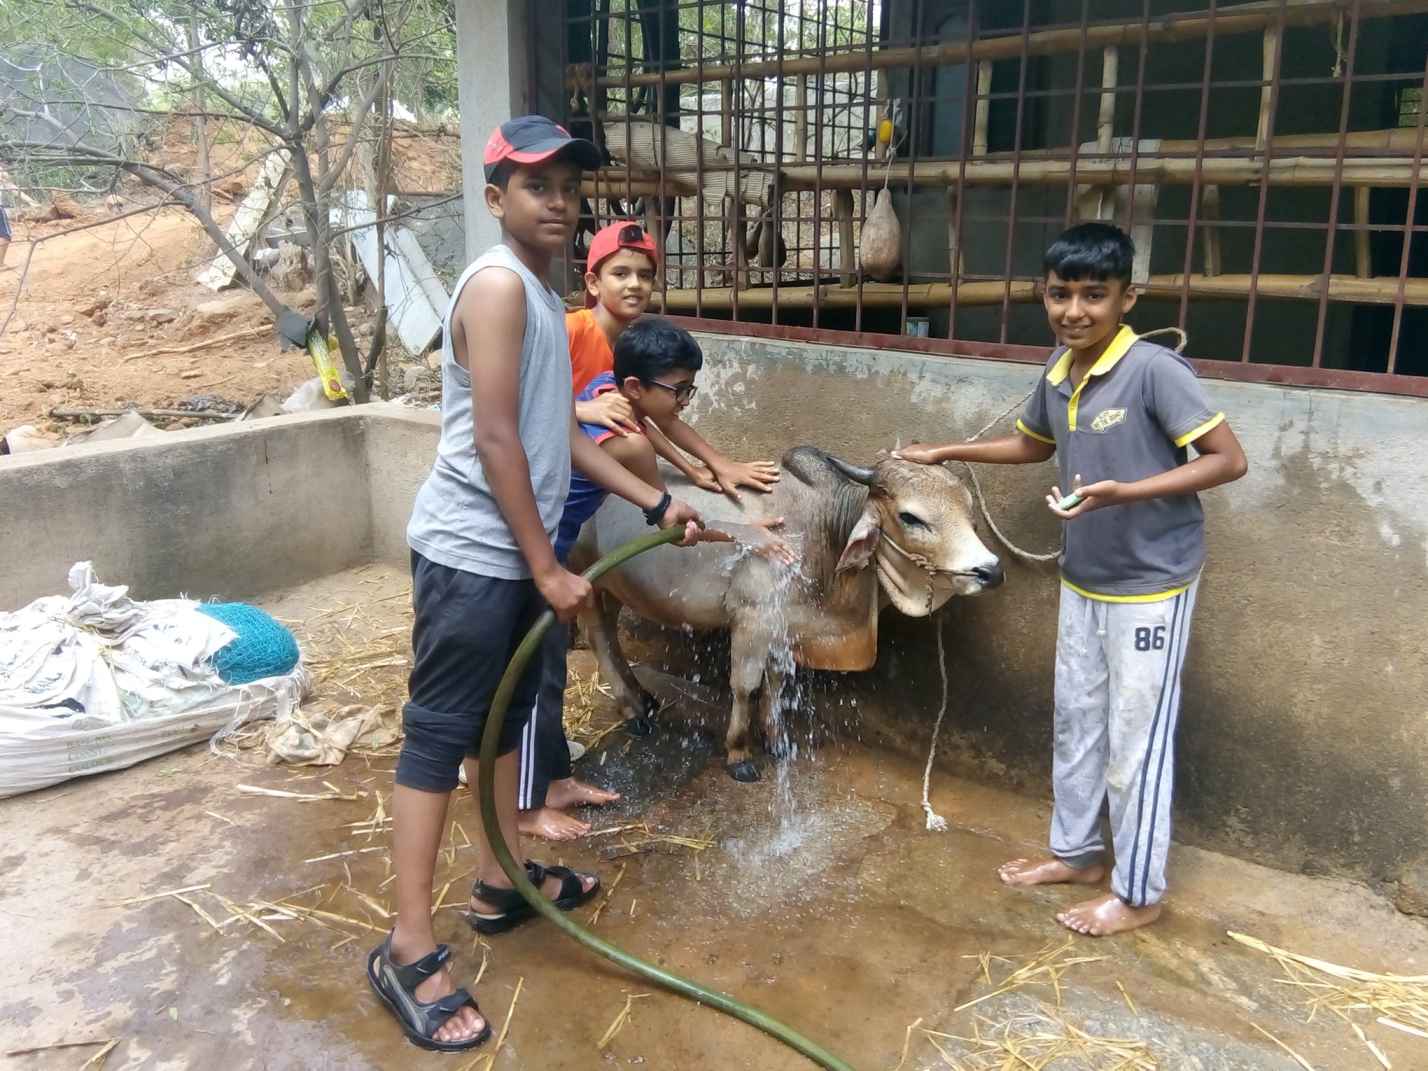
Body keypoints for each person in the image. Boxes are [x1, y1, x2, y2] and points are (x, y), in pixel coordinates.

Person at [365, 115, 702, 1053]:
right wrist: (548, 563)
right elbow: (498, 440)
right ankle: (407, 944)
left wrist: (653, 497)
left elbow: (556, 430)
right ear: (495, 198)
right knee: (440, 740)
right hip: (475, 553)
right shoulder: (502, 288)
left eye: (567, 187)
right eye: (536, 185)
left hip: (512, 554)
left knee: (506, 725)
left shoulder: (547, 300)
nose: (557, 201)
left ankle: (498, 880)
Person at [895, 221, 1248, 937]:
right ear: (1043, 295)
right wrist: (946, 448)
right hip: (1085, 579)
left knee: (1135, 738)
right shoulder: (1059, 368)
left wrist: (1130, 491)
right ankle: (1080, 854)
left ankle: (1140, 891)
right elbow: (1033, 442)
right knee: (1079, 721)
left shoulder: (1153, 369)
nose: (1075, 310)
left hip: (1152, 582)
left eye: (1095, 294)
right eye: (1061, 294)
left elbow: (1227, 459)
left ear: (1128, 298)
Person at [518, 313, 792, 840]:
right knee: (534, 674)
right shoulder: (629, 441)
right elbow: (668, 521)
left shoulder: (604, 392)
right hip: (535, 546)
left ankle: (550, 781)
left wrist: (706, 476)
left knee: (547, 670)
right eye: (681, 391)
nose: (686, 403)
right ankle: (526, 805)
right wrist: (742, 533)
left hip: (540, 535)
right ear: (636, 387)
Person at [567, 219, 780, 498]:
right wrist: (580, 411)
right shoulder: (569, 329)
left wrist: (709, 465)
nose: (635, 284)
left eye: (644, 275)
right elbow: (511, 400)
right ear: (594, 283)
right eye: (620, 274)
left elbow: (651, 419)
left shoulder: (631, 343)